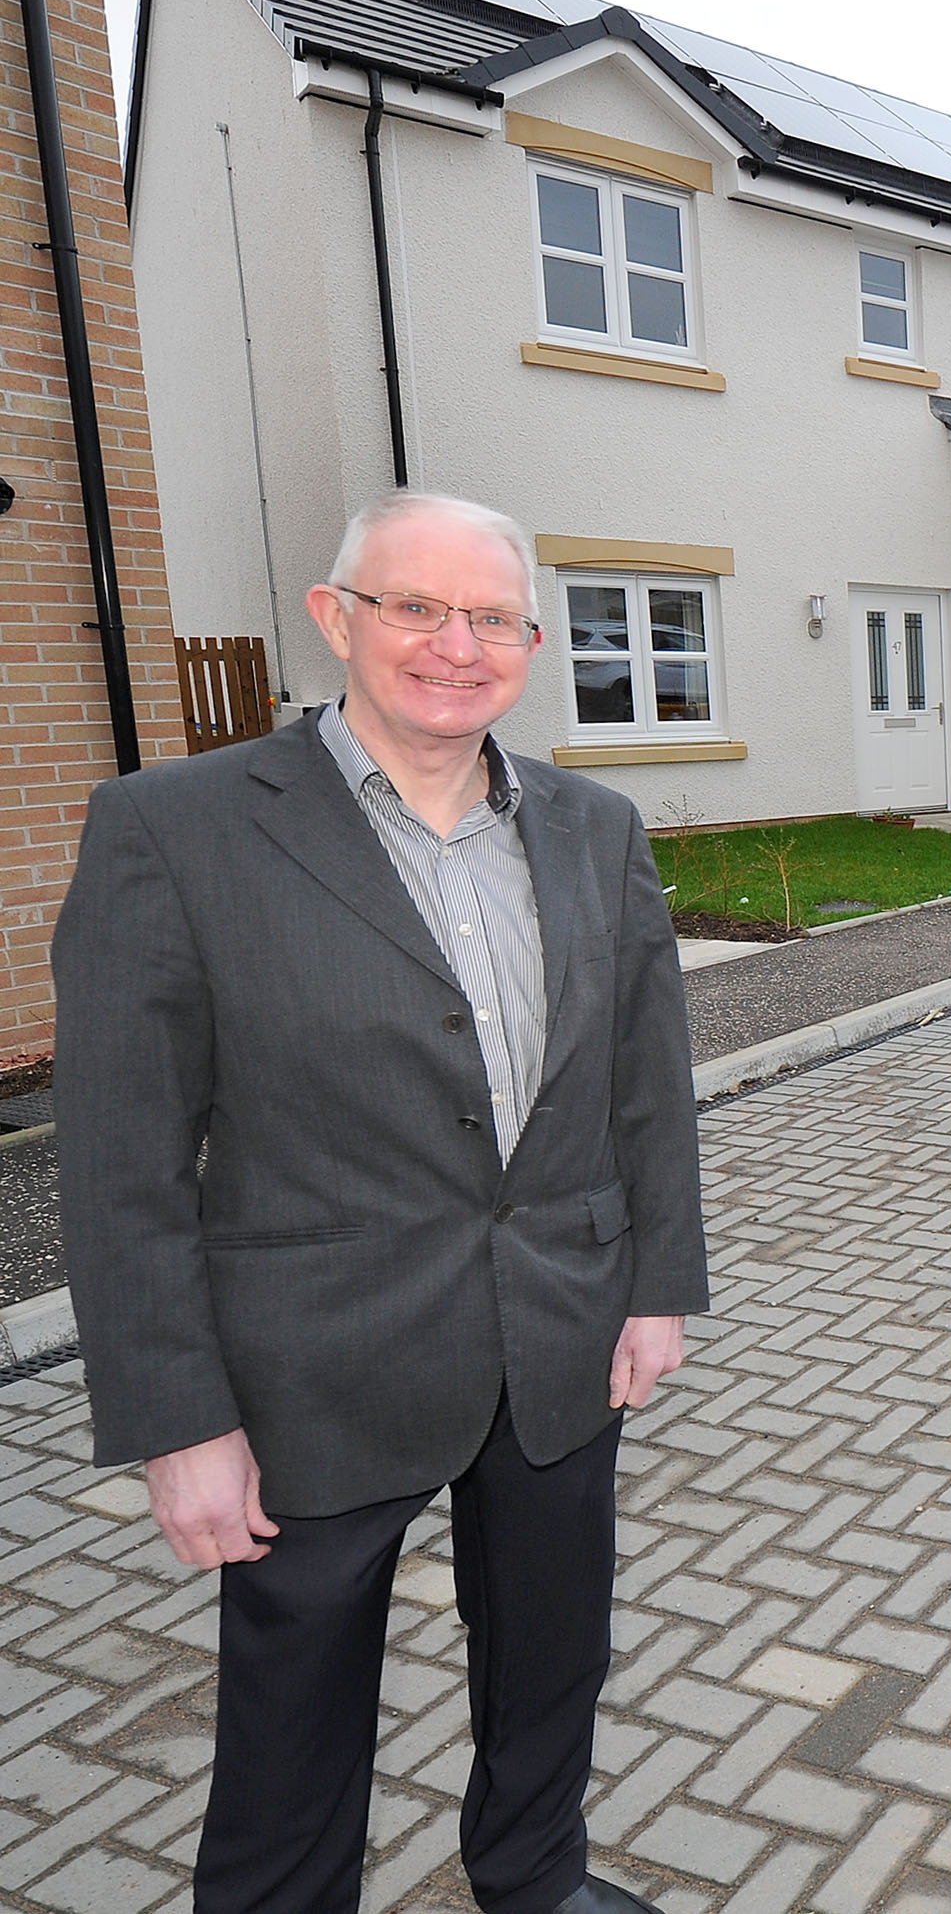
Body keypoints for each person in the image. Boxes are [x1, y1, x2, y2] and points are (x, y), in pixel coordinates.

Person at [57, 493, 707, 1914]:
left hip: (558, 1334)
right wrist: (177, 1420)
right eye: (415, 605)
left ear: (533, 643)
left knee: (555, 1655)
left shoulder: (595, 827)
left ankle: (536, 1877)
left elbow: (644, 1081)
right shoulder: (175, 829)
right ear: (335, 613)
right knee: (290, 1726)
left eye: (489, 617)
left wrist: (657, 1286)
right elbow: (121, 1159)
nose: (453, 644)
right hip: (314, 1368)